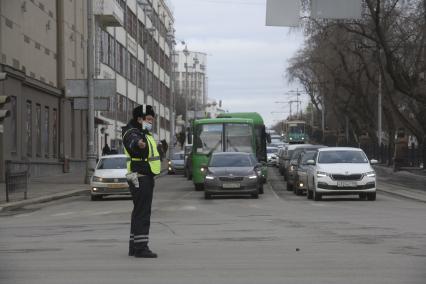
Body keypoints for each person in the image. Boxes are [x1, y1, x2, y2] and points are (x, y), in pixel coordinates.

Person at [122, 105, 161, 258]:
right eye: (149, 119)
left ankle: (134, 246)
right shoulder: (133, 132)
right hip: (140, 176)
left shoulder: (143, 132)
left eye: (152, 119)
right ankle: (141, 248)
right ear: (139, 119)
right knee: (143, 213)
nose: (151, 122)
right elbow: (133, 141)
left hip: (143, 175)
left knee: (139, 212)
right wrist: (139, 143)